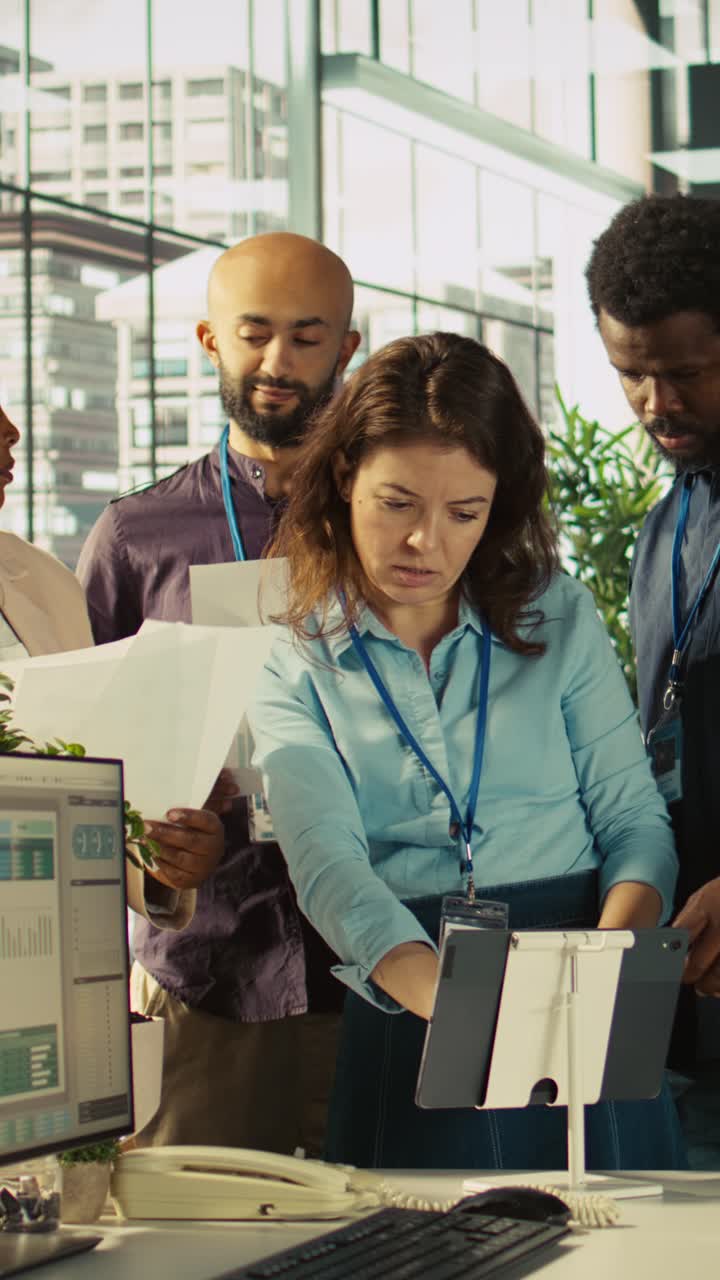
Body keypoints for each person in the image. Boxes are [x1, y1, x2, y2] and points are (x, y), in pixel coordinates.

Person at [248, 331, 685, 1170]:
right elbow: (328, 865)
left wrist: (609, 966)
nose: (427, 544)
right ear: (344, 479)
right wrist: (457, 1010)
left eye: (465, 514)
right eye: (397, 502)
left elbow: (633, 818)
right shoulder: (292, 658)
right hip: (412, 984)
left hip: (583, 968)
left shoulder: (557, 614)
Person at [76, 232, 361, 1154]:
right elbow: (73, 759)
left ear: (348, 350)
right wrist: (152, 845)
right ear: (210, 341)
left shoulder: (393, 525)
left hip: (383, 965)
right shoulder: (135, 536)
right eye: (255, 333)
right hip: (208, 975)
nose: (278, 362)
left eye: (308, 337)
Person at [586, 193, 720, 1167]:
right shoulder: (669, 521)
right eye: (632, 375)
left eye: (684, 372)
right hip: (678, 988)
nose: (656, 404)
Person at [0, 402, 224, 939]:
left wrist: (161, 860)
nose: (12, 430)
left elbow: (90, 801)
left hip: (56, 964)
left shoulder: (44, 583)